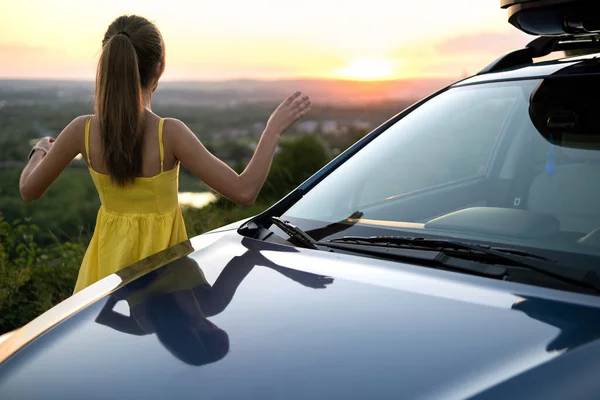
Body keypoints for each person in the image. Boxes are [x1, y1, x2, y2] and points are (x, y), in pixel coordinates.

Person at [18, 15, 312, 294]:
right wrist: (272, 129)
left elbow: (28, 190)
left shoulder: (80, 130)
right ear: (159, 67)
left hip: (102, 279)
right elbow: (245, 191)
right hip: (165, 277)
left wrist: (40, 150)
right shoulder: (168, 134)